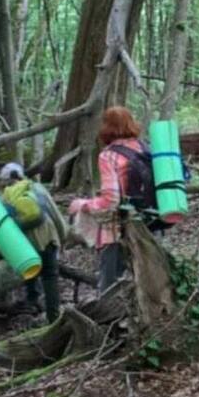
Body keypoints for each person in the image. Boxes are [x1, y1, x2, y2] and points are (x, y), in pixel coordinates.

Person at [69, 106, 157, 293]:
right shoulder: (145, 148)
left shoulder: (108, 156)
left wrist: (83, 205)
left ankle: (105, 321)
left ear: (106, 127)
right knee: (149, 281)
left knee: (109, 287)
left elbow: (111, 201)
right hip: (150, 223)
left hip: (117, 230)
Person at [0, 162, 68, 323]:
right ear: (21, 175)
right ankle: (54, 318)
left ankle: (31, 301)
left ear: (3, 180)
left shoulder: (2, 198)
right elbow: (55, 215)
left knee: (29, 269)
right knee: (50, 276)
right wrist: (63, 237)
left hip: (23, 244)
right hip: (47, 236)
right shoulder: (37, 188)